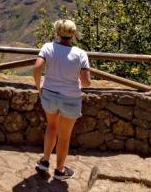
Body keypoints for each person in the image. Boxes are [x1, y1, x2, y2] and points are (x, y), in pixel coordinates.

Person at [33, 19, 91, 181]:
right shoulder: (80, 54)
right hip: (71, 98)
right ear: (73, 34)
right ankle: (59, 170)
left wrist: (39, 87)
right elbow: (86, 82)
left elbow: (37, 68)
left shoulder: (47, 47)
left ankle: (45, 161)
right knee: (64, 136)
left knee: (51, 127)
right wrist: (77, 83)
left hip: (50, 94)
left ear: (58, 33)